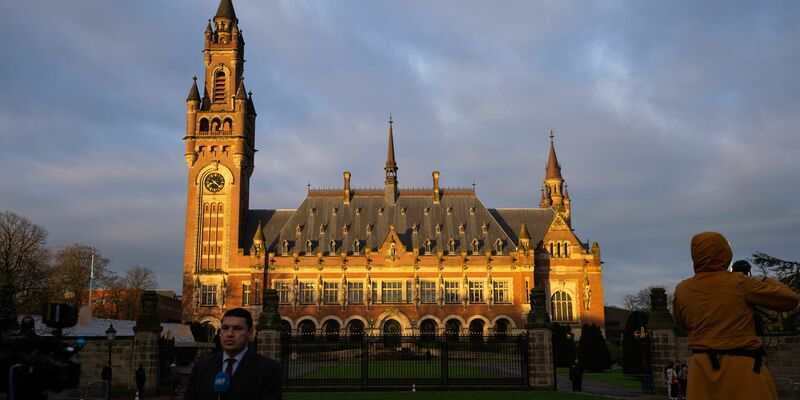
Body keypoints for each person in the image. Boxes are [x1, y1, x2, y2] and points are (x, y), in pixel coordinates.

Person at [673, 231, 799, 400]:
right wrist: (763, 280)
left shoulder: (683, 290)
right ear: (725, 253)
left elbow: (682, 322)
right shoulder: (740, 283)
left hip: (701, 371)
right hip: (742, 367)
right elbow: (789, 300)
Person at [184, 307, 282, 400]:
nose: (230, 334)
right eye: (225, 328)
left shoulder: (268, 369)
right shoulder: (201, 367)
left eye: (238, 328)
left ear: (250, 333)